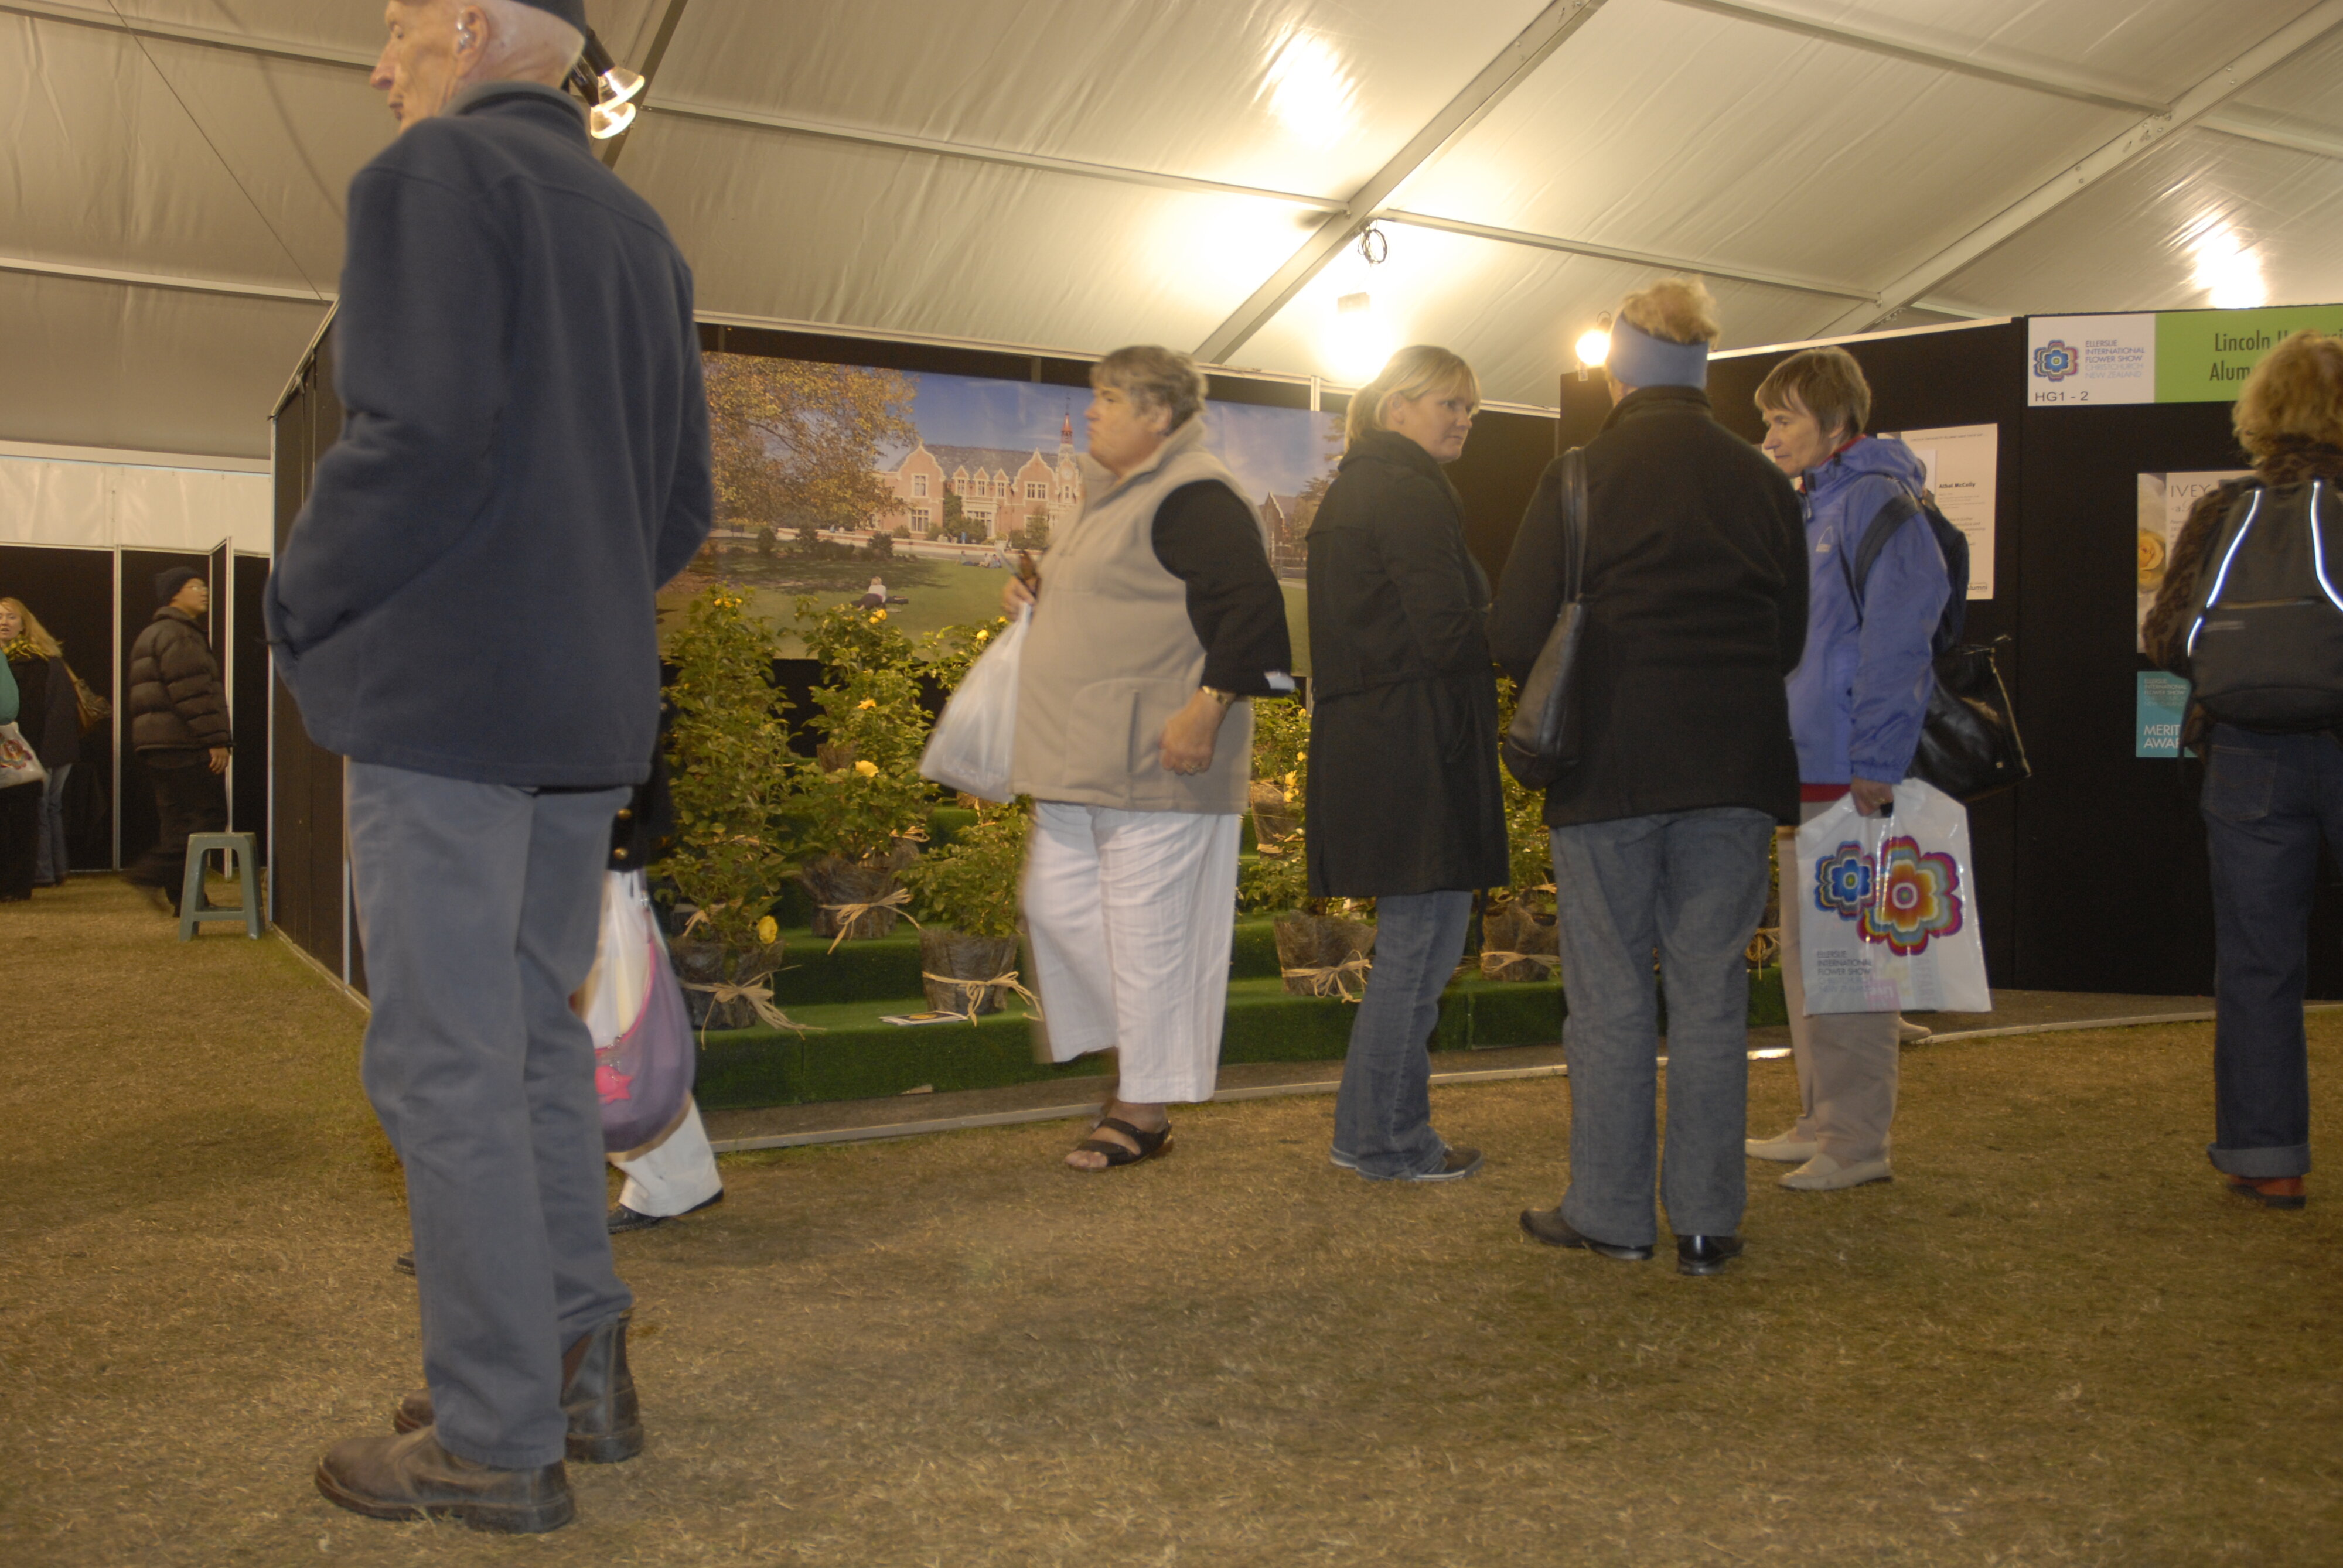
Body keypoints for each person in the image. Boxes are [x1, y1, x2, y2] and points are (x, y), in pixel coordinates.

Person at [266, 0, 711, 1534]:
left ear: (463, 26)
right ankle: (572, 1364)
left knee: (445, 1059)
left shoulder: (430, 182)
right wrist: (574, 605)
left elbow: (420, 435)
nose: (381, 65)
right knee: (524, 1041)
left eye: (394, 29)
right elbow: (677, 509)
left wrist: (297, 593)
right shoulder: (642, 234)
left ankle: (494, 1430)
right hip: (579, 710)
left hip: (445, 701)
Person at [1490, 278, 1807, 1277]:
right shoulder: (1760, 480)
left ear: (1617, 365)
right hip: (1736, 765)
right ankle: (1708, 1219)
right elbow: (1788, 635)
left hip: (1610, 769)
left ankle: (1612, 1213)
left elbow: (1510, 633)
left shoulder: (1578, 474)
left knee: (1611, 994)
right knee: (1712, 994)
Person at [1005, 344, 1293, 1171]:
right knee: (1056, 910)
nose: (1089, 412)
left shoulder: (1194, 494)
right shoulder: (1105, 496)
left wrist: (1207, 708)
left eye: (1106, 399)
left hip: (1156, 760)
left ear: (1156, 415)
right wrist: (1035, 594)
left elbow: (1253, 614)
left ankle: (1142, 1105)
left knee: (1148, 940)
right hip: (1076, 757)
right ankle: (1141, 1057)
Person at [2144, 330, 2343, 1212]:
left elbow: (2161, 637)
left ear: (2259, 408)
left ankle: (2267, 1157)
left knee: (2258, 961)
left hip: (2245, 753)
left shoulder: (2223, 506)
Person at [1746, 347, 1948, 1193]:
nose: (1767, 434)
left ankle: (1857, 1139)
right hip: (1811, 762)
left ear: (1833, 424)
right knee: (1807, 954)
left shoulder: (1874, 502)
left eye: (1782, 418)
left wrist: (1873, 758)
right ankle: (1822, 1118)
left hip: (1847, 769)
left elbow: (1899, 639)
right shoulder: (1818, 503)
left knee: (1851, 962)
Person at [1305, 346, 1506, 1183]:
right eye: (1445, 403)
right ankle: (1387, 1139)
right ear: (1394, 408)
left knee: (1412, 956)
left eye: (1468, 406)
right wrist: (1524, 628)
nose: (1461, 418)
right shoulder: (1407, 492)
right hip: (1416, 750)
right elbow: (1446, 634)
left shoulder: (1354, 490)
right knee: (1418, 958)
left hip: (1382, 744)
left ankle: (1371, 1133)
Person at [123, 568, 230, 914]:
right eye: (194, 587)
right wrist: (216, 740)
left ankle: (187, 901)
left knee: (177, 824)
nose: (204, 592)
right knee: (209, 817)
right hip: (185, 744)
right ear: (173, 594)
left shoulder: (152, 633)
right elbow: (194, 693)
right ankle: (149, 874)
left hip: (158, 745)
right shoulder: (180, 634)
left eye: (203, 586)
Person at [2, 600, 83, 889]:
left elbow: (34, 713)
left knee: (39, 808)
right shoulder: (47, 655)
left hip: (41, 747)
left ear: (25, 624)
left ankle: (42, 873)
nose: (4, 623)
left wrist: (33, 752)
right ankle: (56, 871)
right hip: (60, 746)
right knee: (51, 808)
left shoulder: (27, 661)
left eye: (11, 617)